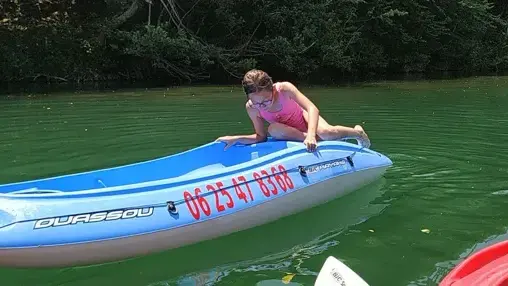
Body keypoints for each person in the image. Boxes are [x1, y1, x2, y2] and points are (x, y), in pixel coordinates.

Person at [216, 69, 371, 152]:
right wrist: (236, 138)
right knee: (273, 129)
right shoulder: (251, 108)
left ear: (273, 91)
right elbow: (261, 137)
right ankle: (316, 140)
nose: (263, 106)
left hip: (304, 119)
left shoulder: (284, 89)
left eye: (266, 101)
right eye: (258, 103)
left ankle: (358, 133)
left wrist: (311, 135)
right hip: (291, 133)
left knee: (327, 133)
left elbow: (312, 108)